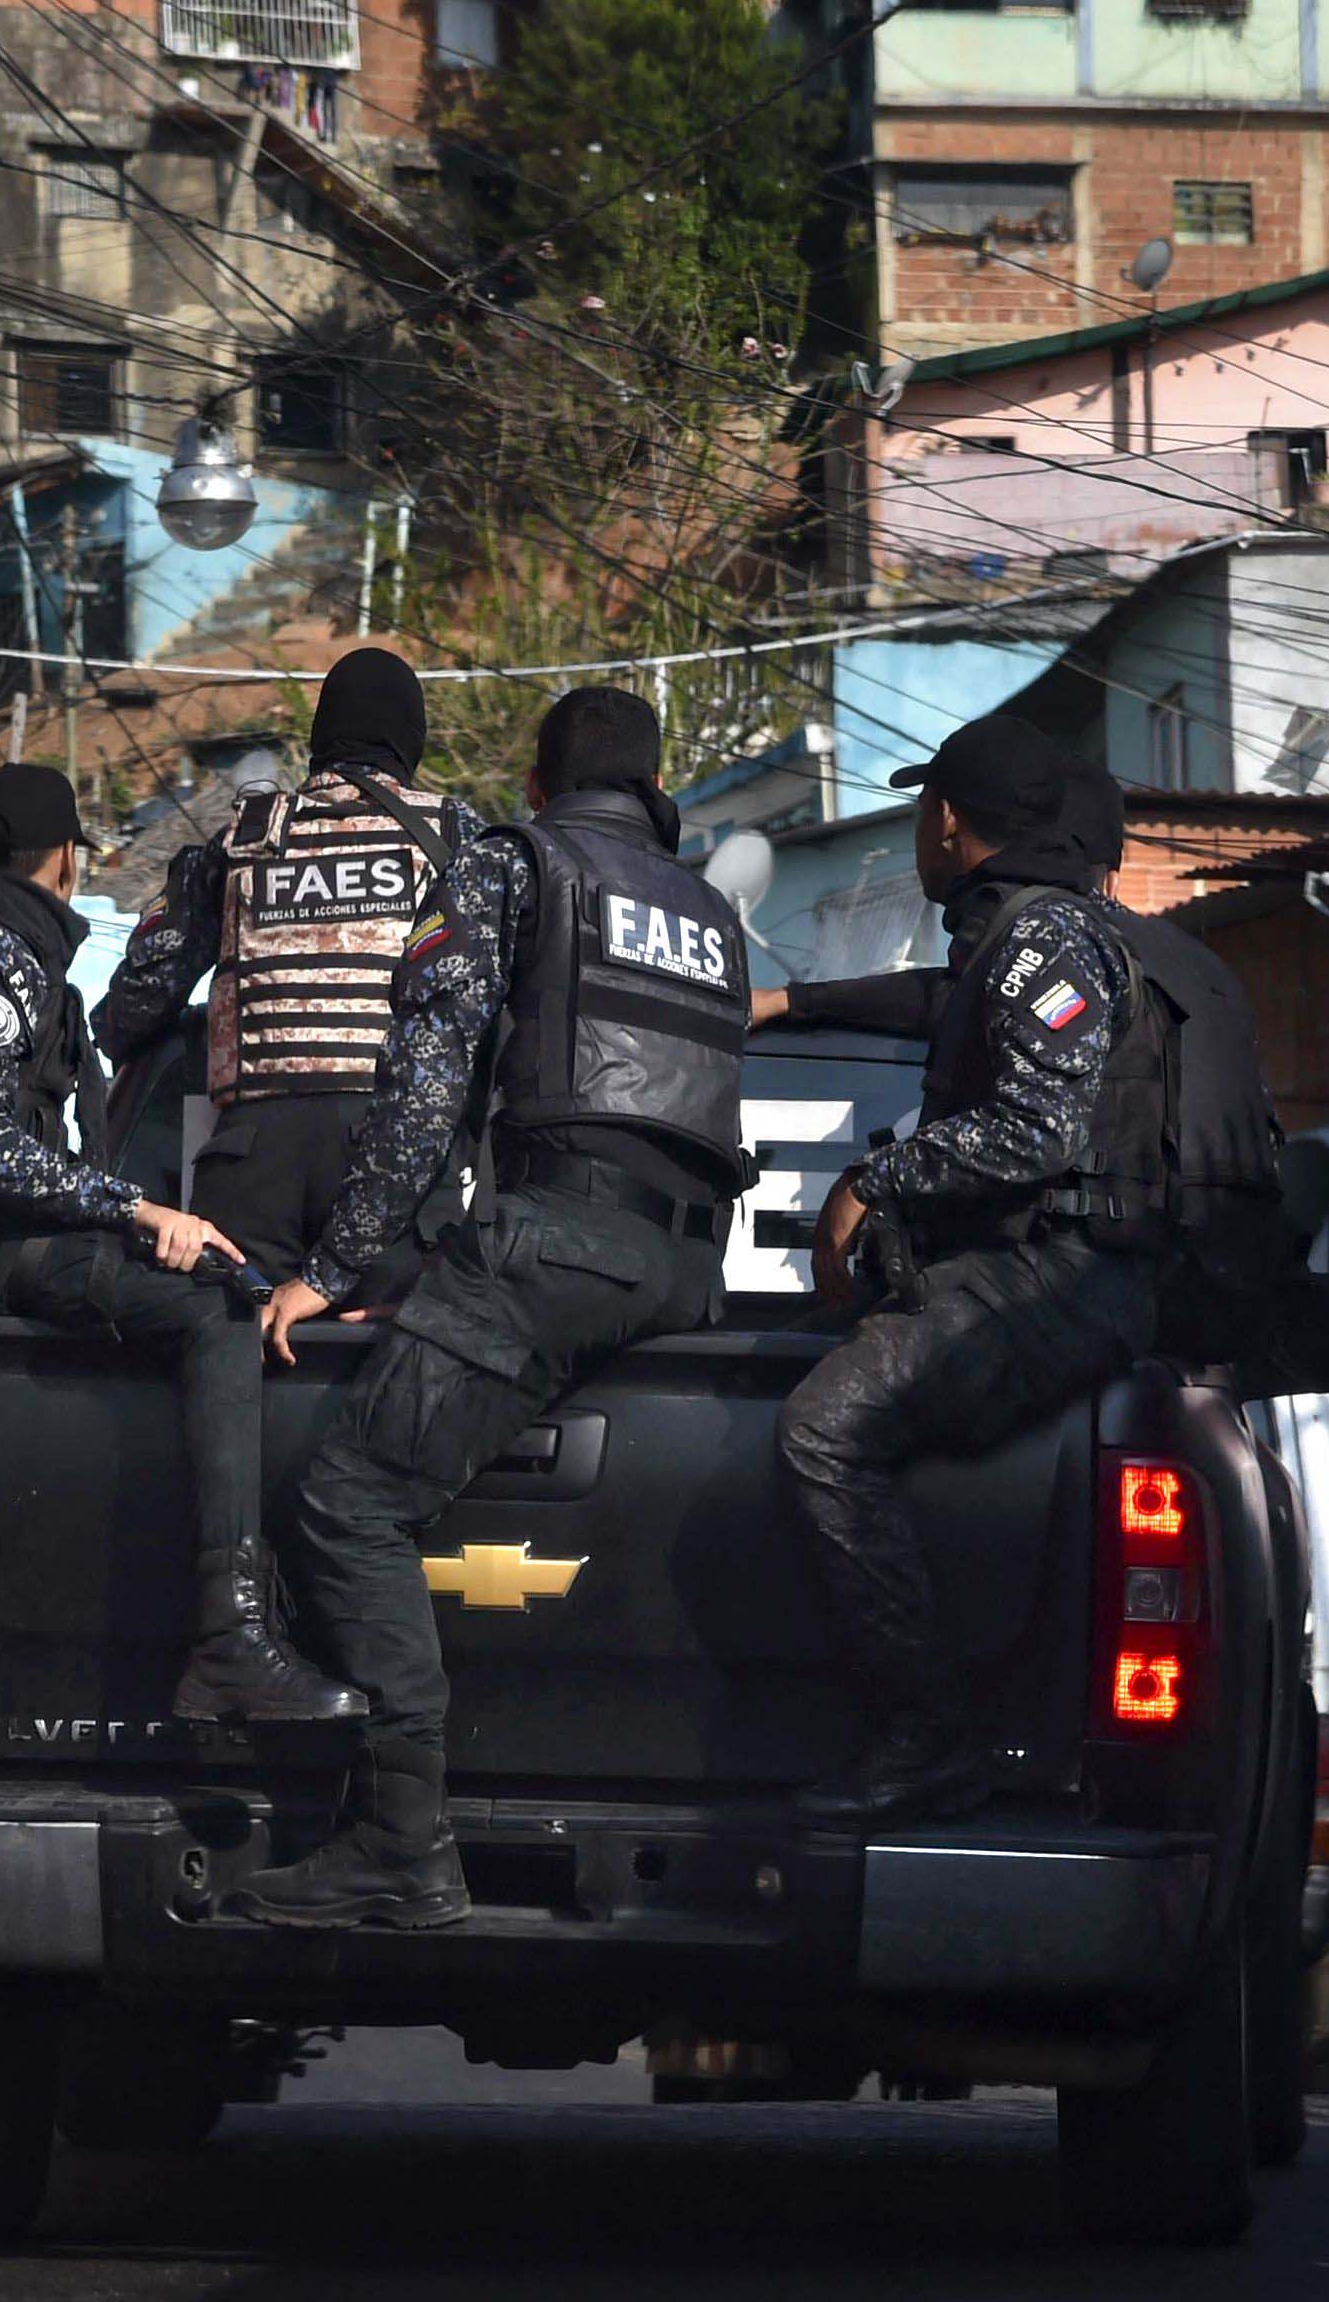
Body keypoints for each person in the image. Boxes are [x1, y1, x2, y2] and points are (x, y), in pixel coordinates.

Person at [246, 687, 752, 1928]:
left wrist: (338, 1263)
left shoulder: (510, 864)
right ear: (653, 791)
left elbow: (424, 1092)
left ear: (537, 784)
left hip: (559, 1242)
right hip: (685, 1265)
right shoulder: (706, 914)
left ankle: (397, 1844)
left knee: (351, 1497)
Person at [0, 762, 359, 1724]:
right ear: (68, 859)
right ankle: (232, 1641)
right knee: (217, 1308)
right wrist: (135, 1211)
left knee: (209, 1276)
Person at [768, 716, 1158, 1829]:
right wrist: (794, 1005)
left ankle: (926, 1738)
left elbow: (1039, 1127)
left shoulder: (1038, 942)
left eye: (921, 812)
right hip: (1052, 1272)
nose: (917, 835)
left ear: (946, 820)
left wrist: (876, 1181)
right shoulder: (1017, 939)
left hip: (1057, 1277)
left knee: (823, 1429)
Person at [97, 649, 485, 1303]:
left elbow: (134, 1003)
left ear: (320, 739)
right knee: (396, 1366)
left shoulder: (237, 842)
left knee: (235, 1356)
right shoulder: (455, 837)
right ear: (409, 736)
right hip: (395, 1158)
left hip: (252, 1158)